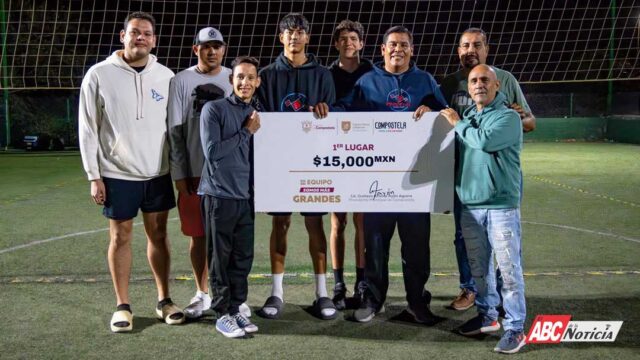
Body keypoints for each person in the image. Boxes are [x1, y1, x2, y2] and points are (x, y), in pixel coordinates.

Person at [78, 11, 184, 333]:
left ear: (154, 40)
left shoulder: (167, 76)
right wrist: (93, 175)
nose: (141, 38)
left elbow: (175, 129)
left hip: (156, 172)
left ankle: (164, 299)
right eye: (135, 32)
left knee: (159, 235)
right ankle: (123, 306)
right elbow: (87, 128)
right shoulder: (98, 75)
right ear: (122, 36)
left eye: (147, 34)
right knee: (120, 236)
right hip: (117, 173)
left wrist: (178, 171)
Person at [336, 26, 448, 324]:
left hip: (416, 183)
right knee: (374, 245)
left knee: (416, 248)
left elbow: (448, 116)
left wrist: (433, 110)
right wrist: (321, 113)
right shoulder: (367, 81)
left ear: (412, 50)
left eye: (404, 45)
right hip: (378, 182)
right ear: (383, 50)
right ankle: (373, 301)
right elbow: (342, 112)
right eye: (392, 44)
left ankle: (416, 302)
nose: (398, 49)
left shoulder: (424, 81)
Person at [440, 27, 535, 311]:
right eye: (465, 45)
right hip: (465, 178)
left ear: (487, 49)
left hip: (498, 179)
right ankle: (471, 291)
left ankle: (507, 303)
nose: (471, 50)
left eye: (477, 45)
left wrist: (515, 120)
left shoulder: (505, 79)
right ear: (458, 51)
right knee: (466, 239)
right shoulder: (448, 83)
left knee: (505, 247)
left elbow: (529, 121)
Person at [440, 64, 527, 354]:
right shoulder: (468, 116)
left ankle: (515, 328)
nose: (478, 84)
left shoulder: (509, 117)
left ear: (497, 85)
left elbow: (484, 141)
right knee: (479, 270)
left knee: (508, 270)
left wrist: (458, 123)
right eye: (474, 80)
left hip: (500, 206)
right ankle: (488, 317)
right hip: (470, 205)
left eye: (484, 80)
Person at [256, 13, 337, 320]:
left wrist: (326, 110)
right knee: (281, 224)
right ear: (281, 38)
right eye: (288, 32)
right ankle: (276, 293)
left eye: (299, 32)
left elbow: (335, 113)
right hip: (279, 164)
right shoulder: (267, 74)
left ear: (307, 38)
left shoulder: (323, 75)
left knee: (315, 223)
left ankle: (323, 293)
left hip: (314, 163)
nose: (294, 36)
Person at [167, 27, 250, 320]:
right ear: (196, 49)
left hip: (228, 176)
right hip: (195, 172)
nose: (211, 51)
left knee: (229, 240)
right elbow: (175, 130)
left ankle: (228, 294)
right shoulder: (181, 80)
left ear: (224, 49)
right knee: (199, 236)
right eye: (206, 46)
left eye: (217, 46)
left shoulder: (235, 78)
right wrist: (180, 171)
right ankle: (202, 292)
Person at [199, 56, 262, 338]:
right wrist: (246, 133)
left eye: (250, 77)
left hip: (245, 198)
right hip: (219, 195)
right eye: (240, 77)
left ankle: (236, 307)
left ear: (257, 82)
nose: (245, 82)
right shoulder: (214, 109)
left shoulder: (258, 114)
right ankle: (222, 313)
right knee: (219, 258)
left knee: (242, 257)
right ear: (231, 80)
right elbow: (213, 153)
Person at [327, 19, 373, 310]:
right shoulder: (327, 73)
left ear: (361, 43)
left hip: (365, 151)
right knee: (337, 221)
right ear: (336, 44)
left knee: (361, 221)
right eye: (343, 38)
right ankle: (338, 283)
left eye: (353, 38)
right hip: (335, 151)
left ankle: (361, 281)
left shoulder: (372, 72)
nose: (348, 43)